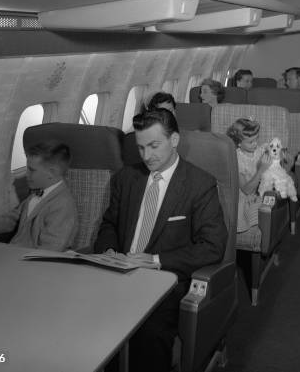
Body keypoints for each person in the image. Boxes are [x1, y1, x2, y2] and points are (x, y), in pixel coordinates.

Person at [95, 109, 227, 372]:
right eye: (141, 147)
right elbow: (110, 223)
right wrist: (109, 249)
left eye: (154, 146)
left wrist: (155, 260)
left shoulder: (200, 184)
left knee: (149, 334)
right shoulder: (125, 179)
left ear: (175, 139)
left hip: (164, 281)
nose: (146, 156)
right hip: (118, 272)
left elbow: (212, 246)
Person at [0, 140, 78, 251]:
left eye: (31, 170)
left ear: (52, 173)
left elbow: (50, 250)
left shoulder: (63, 205)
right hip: (15, 253)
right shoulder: (37, 194)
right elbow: (14, 218)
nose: (26, 174)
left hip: (30, 263)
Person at [226, 118, 272, 250]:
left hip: (258, 191)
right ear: (239, 143)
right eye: (251, 141)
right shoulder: (236, 158)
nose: (255, 144)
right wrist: (261, 169)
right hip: (243, 195)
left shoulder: (259, 150)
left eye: (257, 139)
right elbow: (246, 190)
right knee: (256, 206)